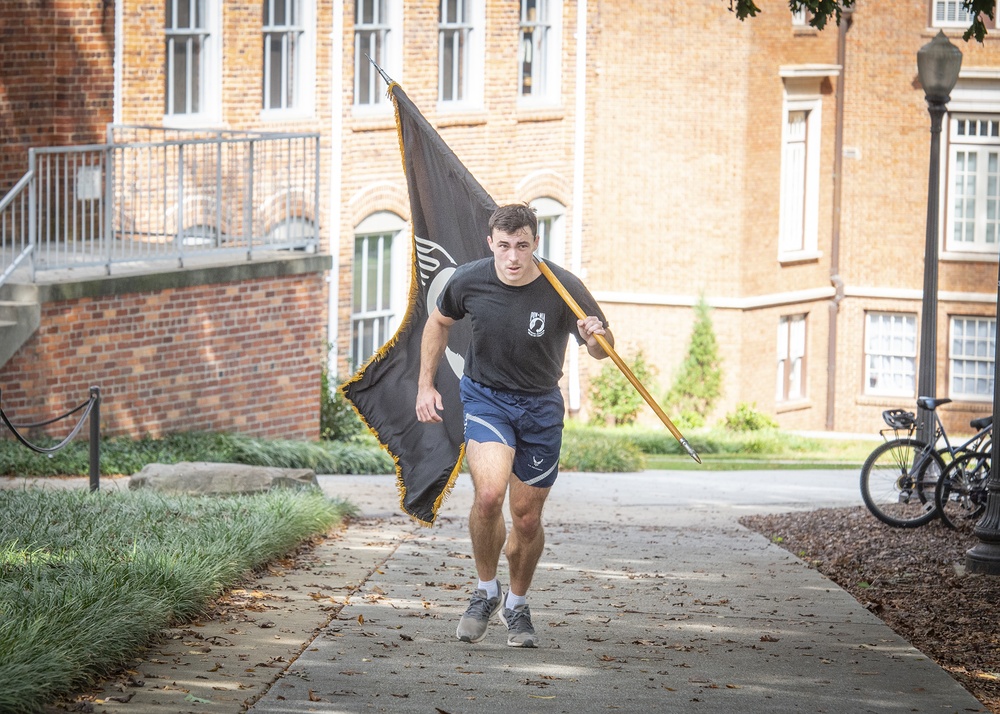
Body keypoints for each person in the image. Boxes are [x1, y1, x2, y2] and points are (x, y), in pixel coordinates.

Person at [415, 203, 613, 648]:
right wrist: (425, 385)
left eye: (522, 246)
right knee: (488, 496)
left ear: (535, 244)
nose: (513, 257)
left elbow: (603, 349)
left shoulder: (563, 288)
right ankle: (486, 591)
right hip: (486, 398)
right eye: (503, 246)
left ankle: (517, 604)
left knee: (526, 519)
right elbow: (438, 322)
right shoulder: (469, 279)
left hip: (541, 407)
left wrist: (595, 335)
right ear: (491, 244)